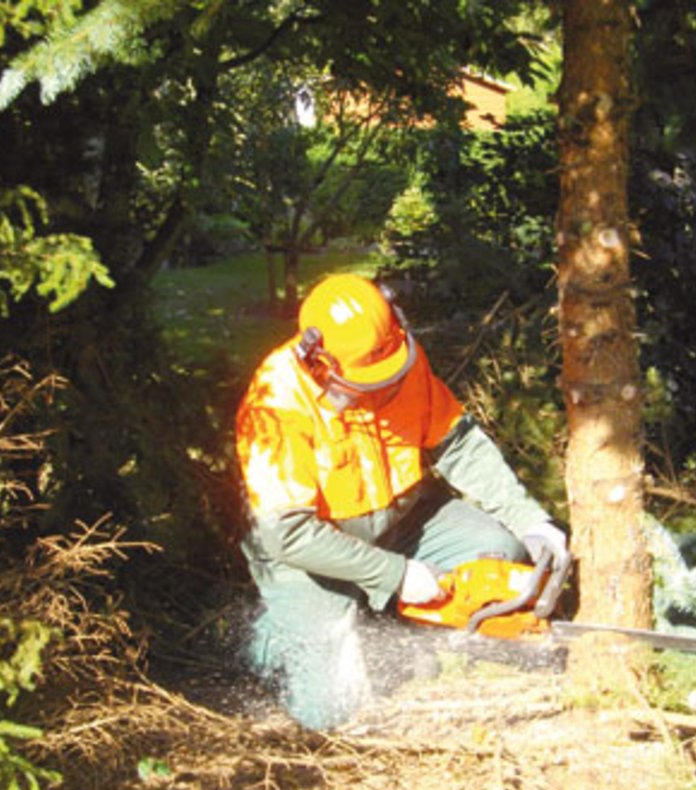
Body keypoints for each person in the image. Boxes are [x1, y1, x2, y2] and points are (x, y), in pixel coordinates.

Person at [234, 273, 570, 730]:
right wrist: (396, 575)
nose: (382, 387)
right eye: (365, 381)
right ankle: (271, 640)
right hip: (311, 553)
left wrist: (529, 517)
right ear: (319, 362)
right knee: (329, 712)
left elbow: (457, 444)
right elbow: (288, 535)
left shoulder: (398, 359)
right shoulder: (276, 404)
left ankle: (402, 625)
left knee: (499, 549)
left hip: (403, 521)